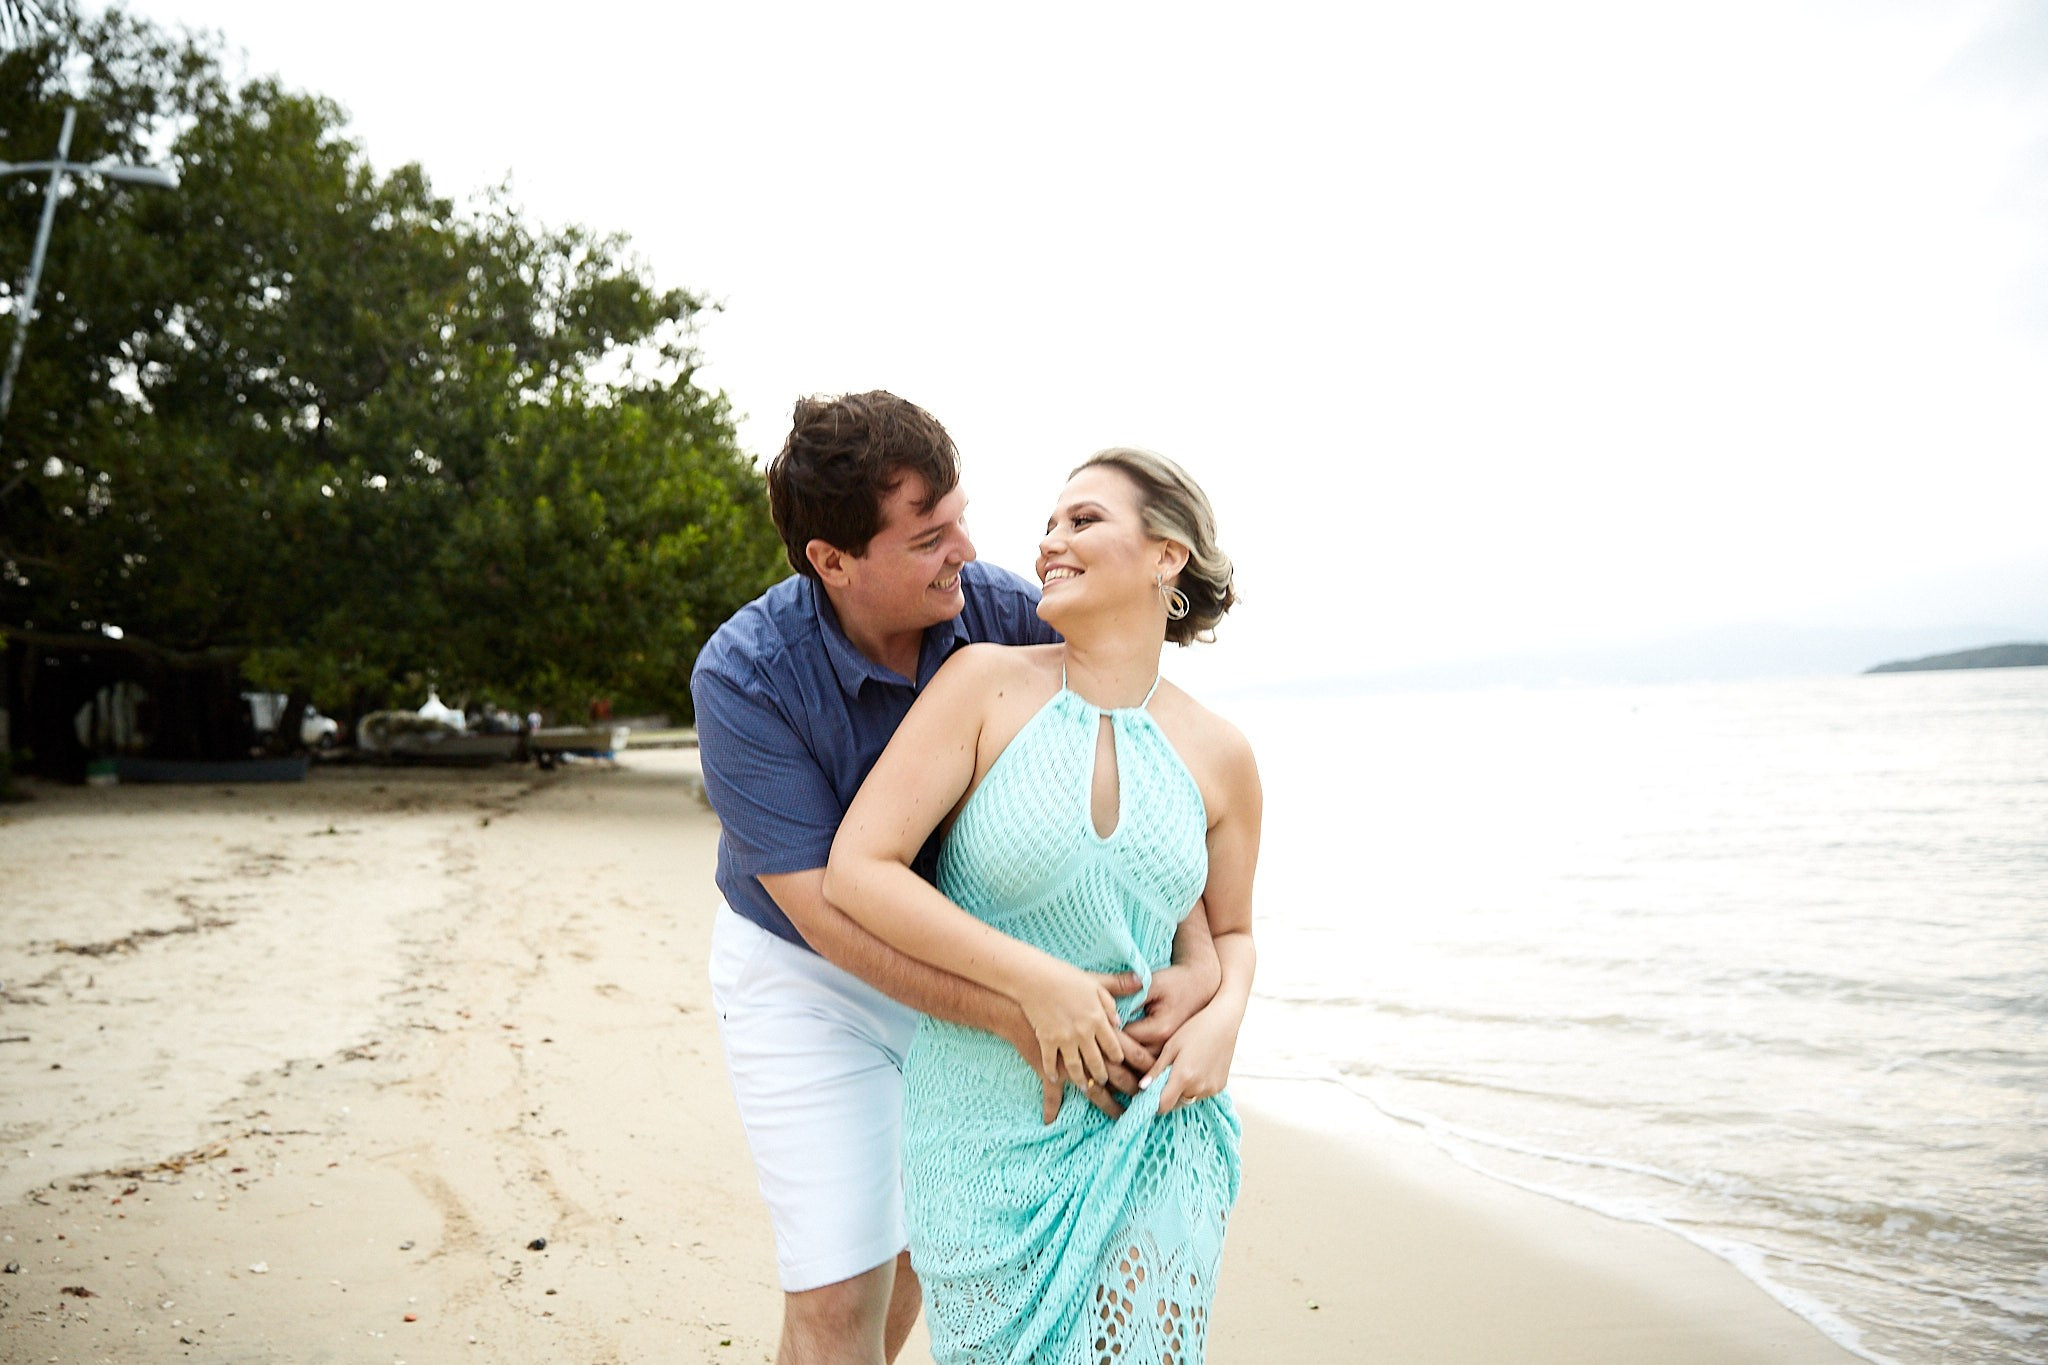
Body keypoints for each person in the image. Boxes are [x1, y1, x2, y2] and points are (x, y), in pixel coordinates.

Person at [691, 396, 1221, 1365]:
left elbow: (1133, 783)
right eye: (929, 538)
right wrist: (1015, 1006)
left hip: (986, 956)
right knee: (837, 1282)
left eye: (962, 519)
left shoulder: (1005, 613)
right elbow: (834, 915)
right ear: (831, 561)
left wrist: (1202, 959)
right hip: (810, 977)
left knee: (922, 1258)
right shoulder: (744, 678)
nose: (966, 552)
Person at [824, 448, 1259, 1364]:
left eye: (1084, 520)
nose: (1050, 540)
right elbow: (859, 868)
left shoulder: (1222, 755)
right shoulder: (983, 684)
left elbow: (1231, 931)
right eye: (1051, 523)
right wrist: (1035, 979)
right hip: (980, 1122)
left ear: (1166, 555)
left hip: (1150, 1118)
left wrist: (1225, 1015)